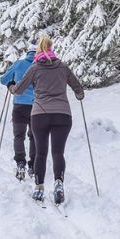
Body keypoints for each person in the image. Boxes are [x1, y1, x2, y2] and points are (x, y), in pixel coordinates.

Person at [8, 34, 84, 204]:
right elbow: (78, 88)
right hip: (63, 115)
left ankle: (39, 188)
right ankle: (58, 183)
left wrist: (11, 87)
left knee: (41, 153)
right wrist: (79, 95)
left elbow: (19, 89)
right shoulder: (63, 67)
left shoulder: (34, 68)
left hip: (40, 115)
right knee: (58, 152)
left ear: (38, 51)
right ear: (51, 49)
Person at [0, 41, 37, 181]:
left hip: (20, 105)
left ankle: (20, 163)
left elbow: (3, 80)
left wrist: (11, 83)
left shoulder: (19, 64)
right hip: (36, 106)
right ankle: (33, 165)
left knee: (19, 136)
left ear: (28, 53)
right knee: (34, 137)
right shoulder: (41, 66)